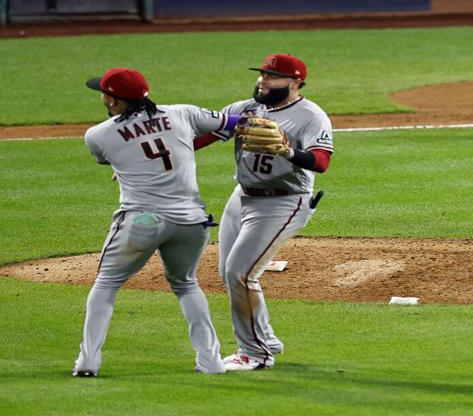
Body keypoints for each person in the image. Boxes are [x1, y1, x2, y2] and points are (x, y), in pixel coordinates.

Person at [72, 67, 240, 377]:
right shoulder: (183, 113)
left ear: (111, 99)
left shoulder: (98, 135)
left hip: (142, 221)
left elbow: (115, 157)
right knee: (186, 284)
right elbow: (232, 123)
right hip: (191, 222)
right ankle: (212, 362)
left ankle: (87, 363)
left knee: (106, 284)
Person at [199, 53, 334, 369]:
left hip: (283, 201)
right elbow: (201, 137)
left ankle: (256, 354)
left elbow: (322, 162)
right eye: (262, 74)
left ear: (295, 82)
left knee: (240, 273)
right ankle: (265, 337)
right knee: (229, 273)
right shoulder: (245, 109)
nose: (263, 80)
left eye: (272, 76)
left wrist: (288, 151)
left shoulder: (311, 116)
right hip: (241, 196)